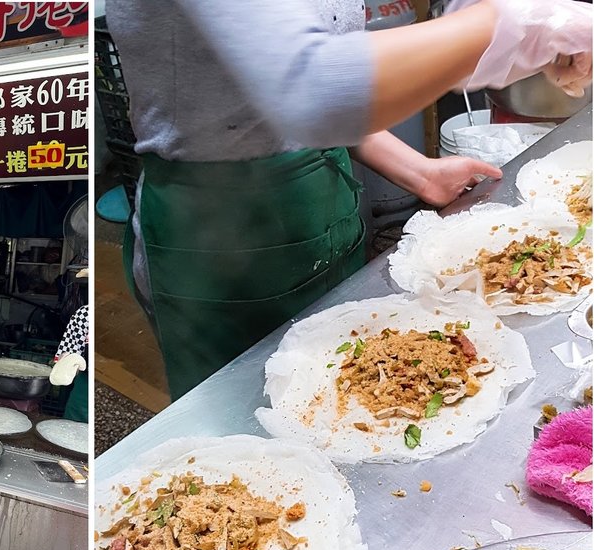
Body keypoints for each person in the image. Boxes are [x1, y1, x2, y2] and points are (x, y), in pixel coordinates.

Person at [106, 0, 593, 400]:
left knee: (354, 383)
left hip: (322, 201)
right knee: (248, 427)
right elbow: (311, 87)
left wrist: (417, 170)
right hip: (216, 237)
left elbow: (285, 90)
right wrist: (506, 24)